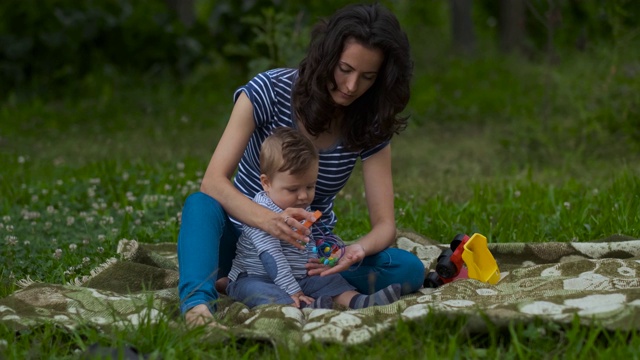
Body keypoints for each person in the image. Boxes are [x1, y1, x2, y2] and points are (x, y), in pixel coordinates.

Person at [177, 2, 425, 326]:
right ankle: (198, 305)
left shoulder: (369, 122)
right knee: (200, 205)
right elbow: (213, 181)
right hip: (243, 242)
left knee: (408, 269)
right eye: (345, 69)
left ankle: (299, 292)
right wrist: (269, 221)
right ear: (327, 58)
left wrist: (354, 251)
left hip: (307, 257)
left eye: (367, 77)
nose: (351, 87)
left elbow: (384, 226)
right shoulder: (269, 90)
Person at [226, 127, 402, 310]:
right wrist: (293, 291)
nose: (303, 196)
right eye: (293, 189)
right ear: (267, 183)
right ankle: (299, 305)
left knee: (328, 279)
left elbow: (310, 240)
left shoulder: (300, 206)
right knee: (258, 290)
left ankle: (358, 301)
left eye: (310, 187)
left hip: (299, 276)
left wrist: (327, 257)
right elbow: (272, 258)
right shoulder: (260, 214)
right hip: (256, 276)